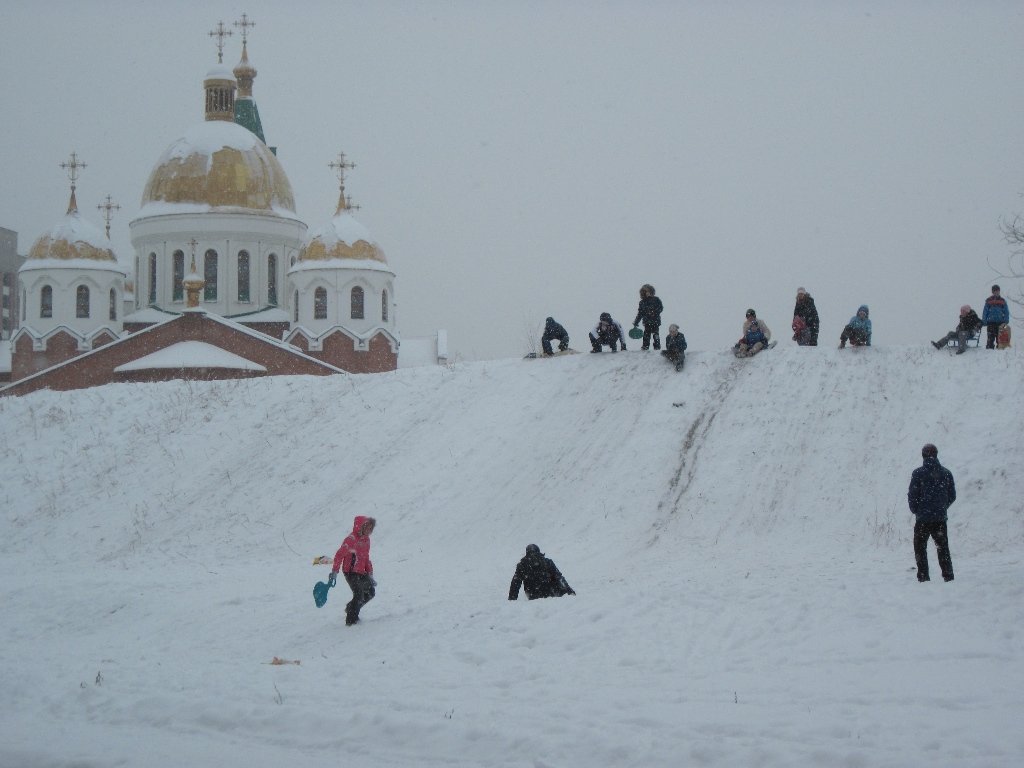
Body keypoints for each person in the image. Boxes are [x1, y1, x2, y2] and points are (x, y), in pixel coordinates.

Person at [907, 444, 955, 582]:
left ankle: (923, 576)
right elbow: (952, 495)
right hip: (940, 518)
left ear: (923, 455)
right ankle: (948, 575)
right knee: (943, 548)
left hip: (923, 519)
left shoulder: (918, 473)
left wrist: (917, 510)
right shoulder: (946, 473)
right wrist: (942, 507)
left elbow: (912, 495)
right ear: (936, 454)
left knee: (920, 548)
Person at [329, 515, 377, 625]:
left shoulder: (366, 540)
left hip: (361, 571)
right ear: (361, 527)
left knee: (370, 592)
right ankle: (351, 621)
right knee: (359, 594)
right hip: (350, 571)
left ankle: (351, 607)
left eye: (371, 528)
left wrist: (370, 573)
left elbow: (366, 557)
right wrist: (335, 571)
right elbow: (339, 555)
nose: (370, 531)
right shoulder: (351, 539)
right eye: (368, 528)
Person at [508, 544, 575, 600]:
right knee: (554, 577)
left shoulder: (522, 565)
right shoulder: (547, 562)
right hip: (549, 592)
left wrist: (512, 599)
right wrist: (569, 590)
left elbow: (515, 583)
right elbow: (559, 577)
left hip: (532, 594)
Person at [632, 284, 664, 351]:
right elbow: (640, 313)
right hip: (647, 321)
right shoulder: (642, 302)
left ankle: (657, 347)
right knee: (646, 335)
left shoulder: (656, 299)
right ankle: (645, 347)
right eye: (645, 291)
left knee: (656, 334)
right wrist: (636, 322)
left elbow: (660, 308)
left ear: (651, 291)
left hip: (655, 321)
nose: (647, 293)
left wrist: (654, 312)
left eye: (648, 291)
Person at [981, 284, 1010, 349]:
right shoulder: (989, 300)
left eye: (997, 291)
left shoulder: (1002, 301)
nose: (996, 292)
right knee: (990, 338)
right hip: (991, 322)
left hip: (1001, 322)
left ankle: (1000, 352)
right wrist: (984, 320)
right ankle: (989, 350)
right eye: (995, 291)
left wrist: (1006, 320)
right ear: (992, 292)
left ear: (999, 291)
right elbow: (985, 311)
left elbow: (1006, 311)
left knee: (1000, 338)